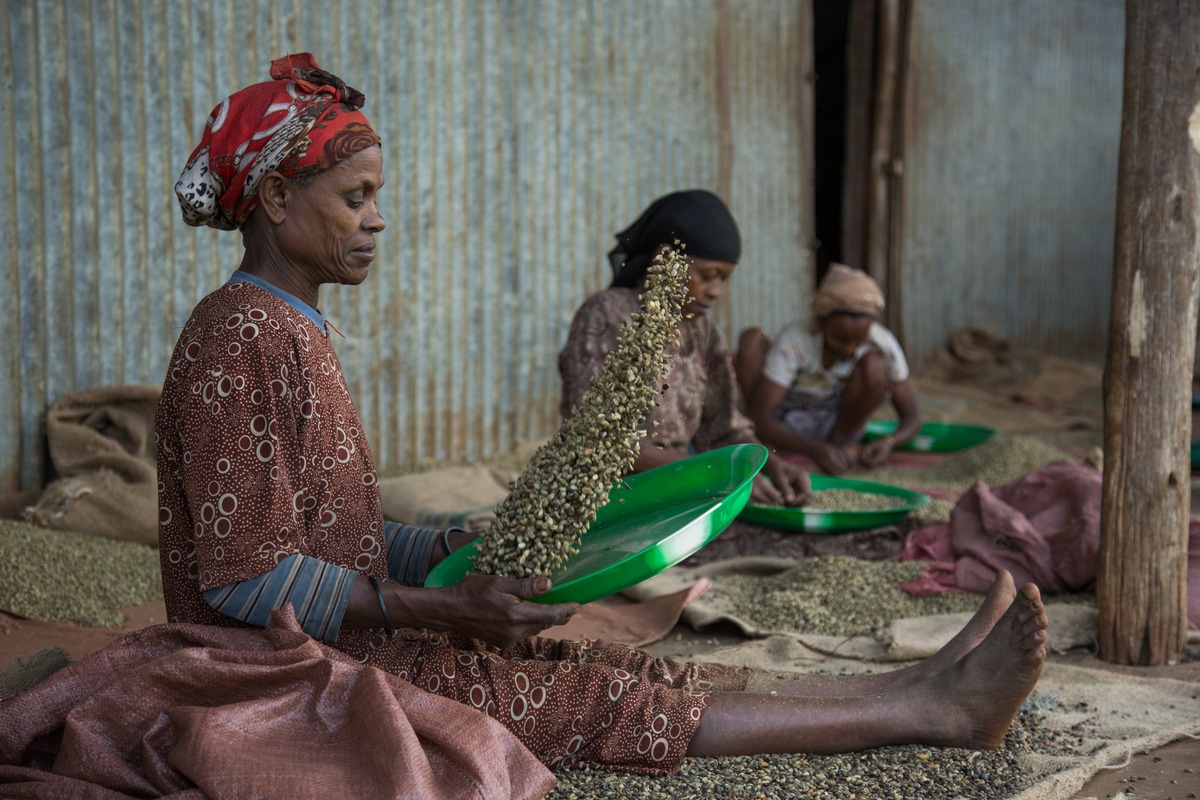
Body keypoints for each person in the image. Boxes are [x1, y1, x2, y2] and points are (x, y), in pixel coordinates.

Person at [158, 53, 1047, 776]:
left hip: (351, 639)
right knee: (602, 705)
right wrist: (434, 607)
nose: (379, 220)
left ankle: (919, 682)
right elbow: (244, 577)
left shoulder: (295, 327)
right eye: (356, 198)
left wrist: (442, 546)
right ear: (276, 200)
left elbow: (328, 525)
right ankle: (935, 710)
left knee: (614, 665)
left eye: (376, 197)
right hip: (282, 673)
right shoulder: (237, 336)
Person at [558, 189, 812, 508]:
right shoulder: (608, 317)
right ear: (666, 259)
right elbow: (599, 440)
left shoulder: (702, 331)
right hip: (605, 500)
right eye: (708, 276)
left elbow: (723, 427)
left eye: (724, 279)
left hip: (684, 489)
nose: (716, 291)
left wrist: (769, 464)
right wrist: (713, 474)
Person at [738, 263, 922, 475]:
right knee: (751, 339)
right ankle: (780, 449)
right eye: (839, 340)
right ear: (821, 322)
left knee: (875, 365)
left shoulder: (882, 342)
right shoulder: (796, 340)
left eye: (858, 341)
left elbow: (912, 416)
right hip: (787, 425)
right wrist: (812, 448)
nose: (849, 349)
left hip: (836, 427)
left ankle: (838, 448)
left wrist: (890, 442)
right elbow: (762, 417)